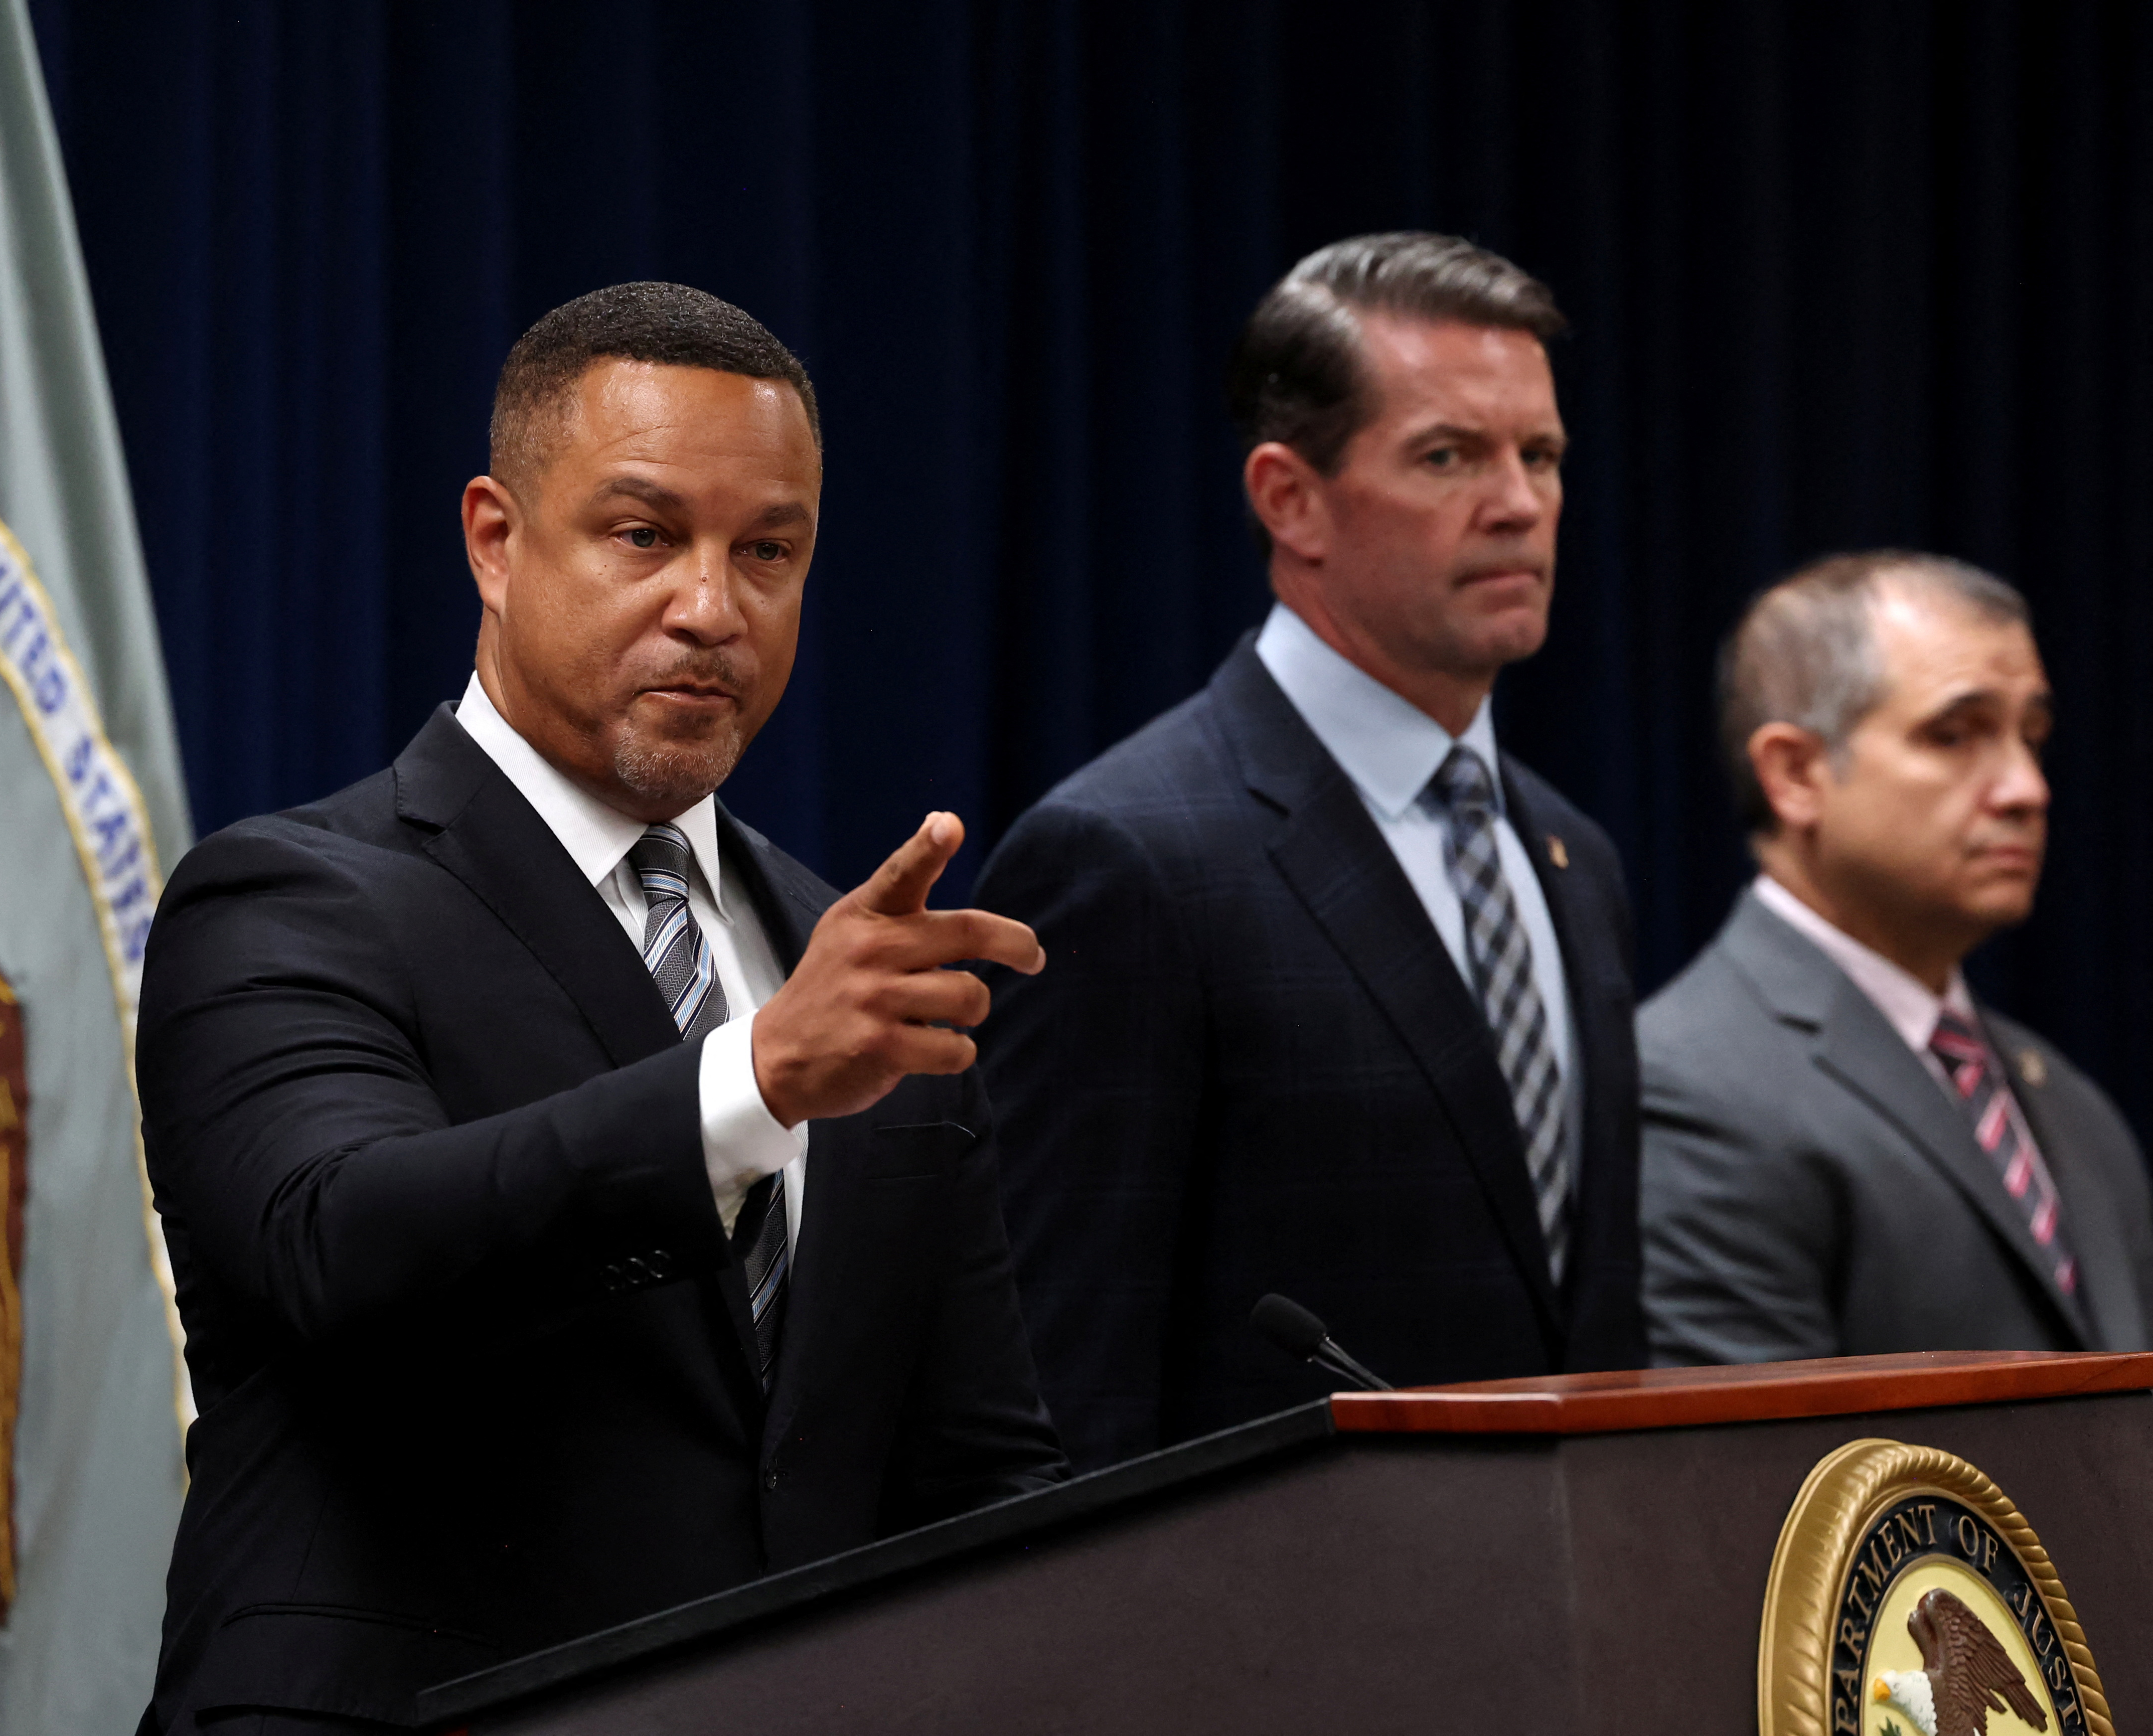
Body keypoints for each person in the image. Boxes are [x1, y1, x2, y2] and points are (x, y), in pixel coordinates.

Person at [135, 282, 1066, 1734]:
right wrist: (750, 1083)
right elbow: (339, 1242)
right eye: (645, 535)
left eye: (768, 551)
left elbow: (978, 1473)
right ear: (495, 542)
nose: (711, 607)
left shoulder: (856, 968)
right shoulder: (290, 896)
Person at [973, 232, 1645, 1474]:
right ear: (1289, 498)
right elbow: (1057, 1399)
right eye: (1447, 456)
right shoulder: (1125, 857)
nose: (1518, 503)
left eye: (1540, 456)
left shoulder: (1575, 859)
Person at [1640, 551, 2153, 1364]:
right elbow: (1759, 1445)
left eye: (2032, 738)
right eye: (1955, 735)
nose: (2027, 789)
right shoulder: (1690, 1087)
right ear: (1796, 774)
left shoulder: (2066, 1099)